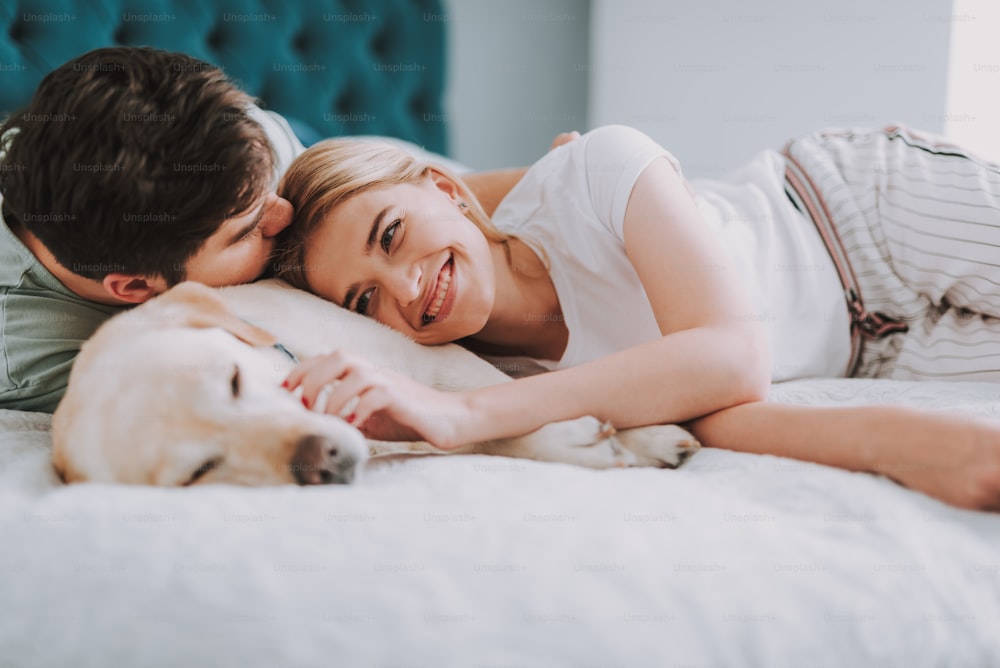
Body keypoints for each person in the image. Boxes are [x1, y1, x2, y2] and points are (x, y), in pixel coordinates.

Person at [273, 124, 1000, 512]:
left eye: (391, 234)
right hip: (878, 356)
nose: (404, 287)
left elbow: (732, 359)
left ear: (446, 190)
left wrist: (463, 415)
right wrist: (913, 446)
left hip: (860, 216)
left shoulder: (596, 171)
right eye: (363, 300)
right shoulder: (510, 376)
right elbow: (716, 414)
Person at [0, 46, 529, 413]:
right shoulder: (34, 354)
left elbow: (426, 198)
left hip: (305, 146)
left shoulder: (248, 149)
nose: (286, 215)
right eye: (249, 230)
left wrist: (554, 183)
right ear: (137, 288)